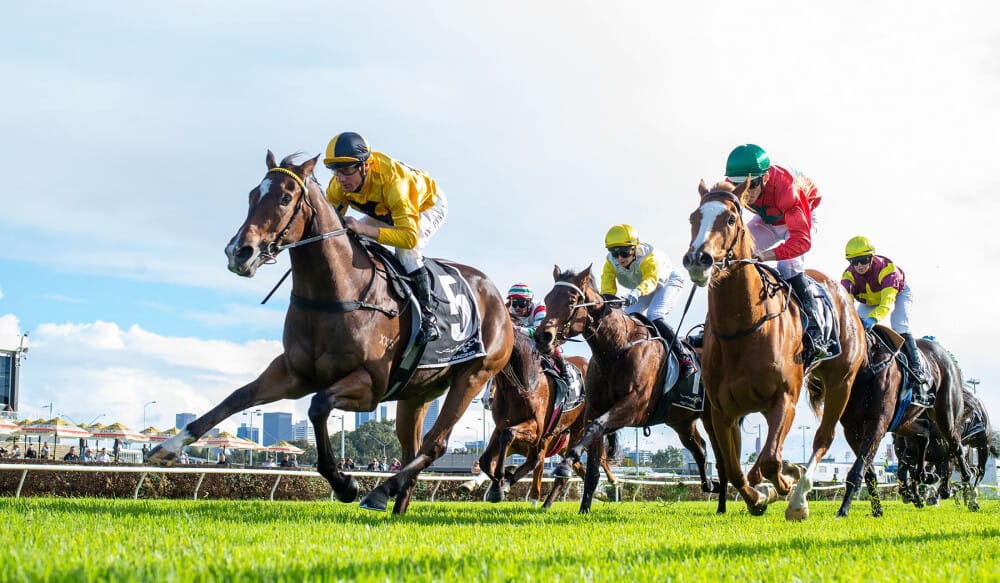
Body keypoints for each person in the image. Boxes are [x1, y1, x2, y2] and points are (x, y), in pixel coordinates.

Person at [324, 131, 448, 344]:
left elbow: (408, 237)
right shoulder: (337, 187)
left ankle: (428, 317)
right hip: (385, 212)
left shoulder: (394, 183)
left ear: (365, 165)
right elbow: (329, 229)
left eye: (346, 170)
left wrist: (365, 230)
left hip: (425, 206)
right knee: (352, 239)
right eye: (335, 171)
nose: (341, 178)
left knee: (407, 253)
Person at [725, 143, 828, 358]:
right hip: (768, 216)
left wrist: (768, 255)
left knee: (788, 265)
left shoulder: (787, 189)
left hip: (800, 213)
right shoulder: (735, 187)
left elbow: (801, 241)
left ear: (764, 178)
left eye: (751, 184)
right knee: (736, 253)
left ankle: (815, 329)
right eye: (739, 185)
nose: (746, 192)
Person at [841, 236, 931, 399]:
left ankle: (917, 369)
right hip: (869, 300)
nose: (859, 265)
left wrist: (872, 319)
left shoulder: (886, 269)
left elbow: (887, 304)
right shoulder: (848, 275)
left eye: (863, 260)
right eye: (854, 262)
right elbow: (845, 303)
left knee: (899, 325)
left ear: (871, 257)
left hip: (897, 294)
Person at [601, 224, 695, 377]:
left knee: (654, 315)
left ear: (634, 248)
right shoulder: (610, 262)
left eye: (624, 252)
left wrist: (636, 292)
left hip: (667, 281)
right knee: (626, 318)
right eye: (614, 252)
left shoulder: (648, 256)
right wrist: (608, 302)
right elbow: (607, 289)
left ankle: (684, 358)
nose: (619, 258)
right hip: (642, 286)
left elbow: (651, 280)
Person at [507, 283, 573, 386]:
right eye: (514, 303)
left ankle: (564, 371)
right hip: (521, 339)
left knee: (544, 340)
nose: (517, 308)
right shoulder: (509, 310)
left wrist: (518, 329)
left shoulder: (539, 307)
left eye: (521, 303)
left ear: (530, 302)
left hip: (538, 335)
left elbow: (538, 331)